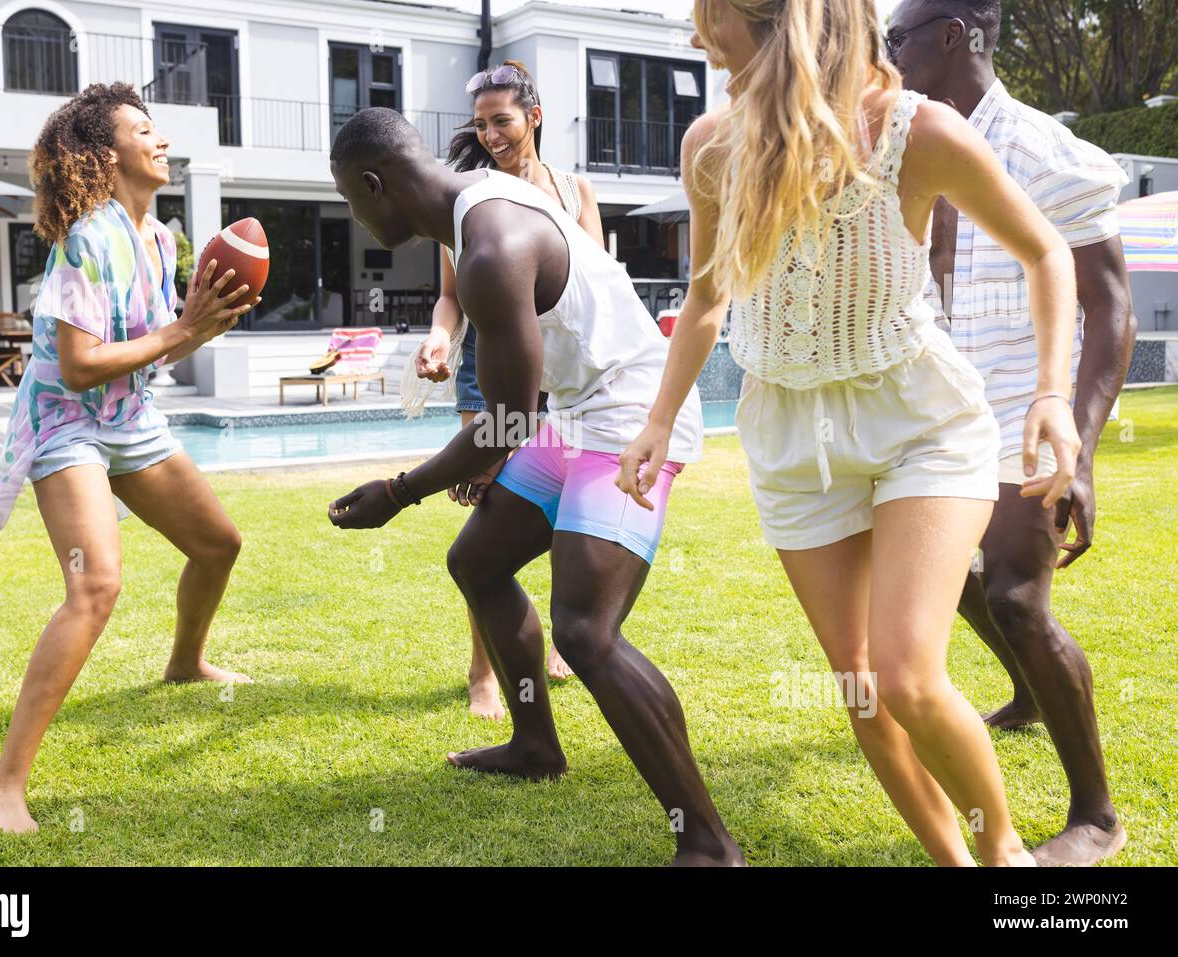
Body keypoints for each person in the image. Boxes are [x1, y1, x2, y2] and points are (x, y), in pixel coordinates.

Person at [619, 0, 1082, 866]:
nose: (692, 38)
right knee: (866, 692)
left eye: (706, 18)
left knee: (908, 674)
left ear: (773, 23)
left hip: (919, 422)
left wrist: (1052, 393)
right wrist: (657, 419)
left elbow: (1046, 251)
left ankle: (1006, 861)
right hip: (793, 432)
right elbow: (709, 297)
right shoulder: (712, 147)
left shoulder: (919, 132)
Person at [326, 107, 743, 866]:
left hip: (632, 416)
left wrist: (399, 489)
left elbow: (505, 425)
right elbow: (513, 413)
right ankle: (534, 743)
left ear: (374, 183)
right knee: (477, 562)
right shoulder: (475, 206)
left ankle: (709, 844)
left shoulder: (488, 245)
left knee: (586, 630)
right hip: (581, 409)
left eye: (351, 202)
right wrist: (474, 460)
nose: (356, 217)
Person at [0, 83, 256, 833]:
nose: (161, 140)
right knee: (97, 586)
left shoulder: (160, 238)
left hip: (130, 418)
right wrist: (181, 331)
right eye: (143, 130)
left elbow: (158, 343)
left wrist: (200, 329)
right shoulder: (84, 238)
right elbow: (82, 362)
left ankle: (185, 661)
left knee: (218, 543)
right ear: (105, 153)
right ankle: (2, 785)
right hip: (66, 423)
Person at [887, 0, 1134, 866]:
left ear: (954, 36)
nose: (888, 56)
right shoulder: (909, 144)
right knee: (953, 582)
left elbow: (1110, 308)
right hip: (944, 411)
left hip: (1030, 409)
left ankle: (1097, 814)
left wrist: (1082, 444)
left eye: (899, 40)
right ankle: (1029, 697)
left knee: (1020, 598)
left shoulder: (1046, 153)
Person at [407, 61, 606, 715]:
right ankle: (483, 671)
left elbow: (596, 292)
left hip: (565, 379)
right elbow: (449, 299)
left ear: (535, 118)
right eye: (482, 124)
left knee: (556, 516)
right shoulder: (467, 201)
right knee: (491, 515)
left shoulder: (576, 194)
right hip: (488, 373)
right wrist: (440, 338)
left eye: (503, 121)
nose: (490, 134)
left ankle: (545, 642)